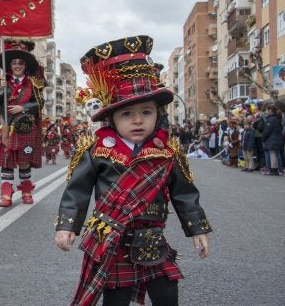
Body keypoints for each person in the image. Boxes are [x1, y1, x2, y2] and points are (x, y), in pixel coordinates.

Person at [54, 35, 211, 306]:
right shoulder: (97, 150)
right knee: (116, 299)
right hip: (112, 240)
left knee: (167, 295)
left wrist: (197, 228)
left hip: (153, 239)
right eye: (127, 114)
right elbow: (77, 192)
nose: (138, 120)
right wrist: (67, 226)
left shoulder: (168, 152)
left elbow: (185, 194)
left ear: (157, 114)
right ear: (111, 118)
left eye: (146, 112)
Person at [0, 40, 46, 206]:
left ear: (25, 65)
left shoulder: (34, 84)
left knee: (24, 161)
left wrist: (22, 107)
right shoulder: (1, 82)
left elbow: (40, 103)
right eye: (14, 62)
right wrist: (1, 89)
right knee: (7, 162)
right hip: (6, 127)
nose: (17, 65)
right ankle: (6, 194)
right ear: (10, 65)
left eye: (20, 63)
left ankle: (26, 192)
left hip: (25, 128)